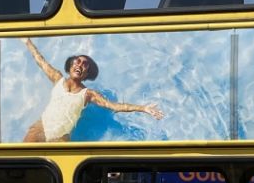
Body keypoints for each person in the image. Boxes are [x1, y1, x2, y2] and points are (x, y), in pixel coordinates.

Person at [20, 38, 163, 142]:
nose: (80, 65)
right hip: (41, 127)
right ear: (70, 67)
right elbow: (40, 61)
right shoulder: (57, 78)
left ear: (86, 74)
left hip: (61, 137)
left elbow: (113, 106)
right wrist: (27, 41)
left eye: (85, 64)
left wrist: (143, 108)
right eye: (77, 61)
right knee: (22, 161)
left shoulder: (88, 94)